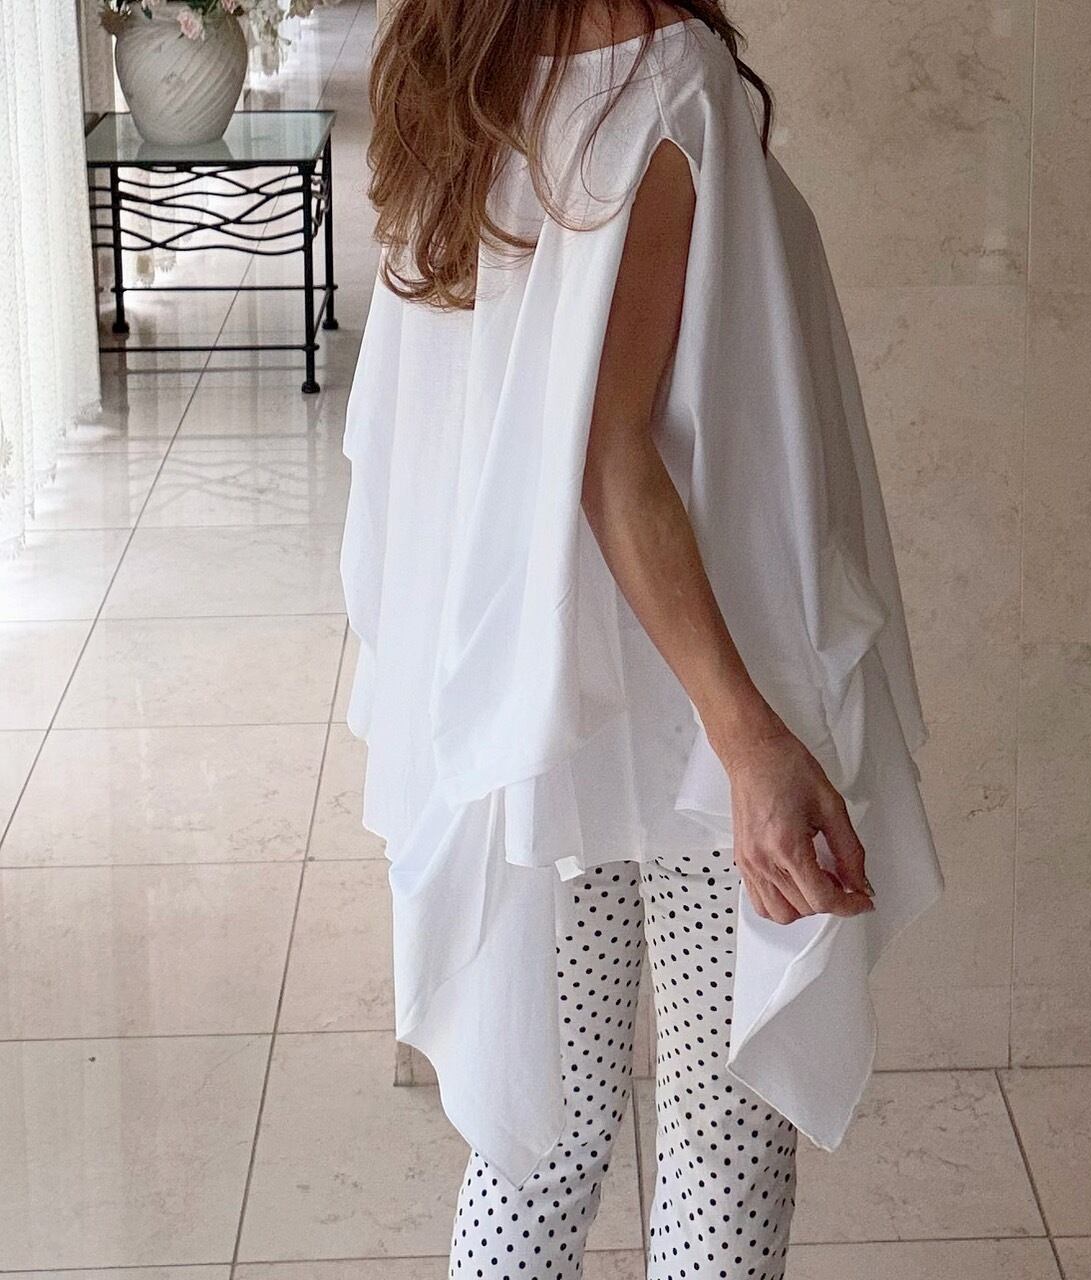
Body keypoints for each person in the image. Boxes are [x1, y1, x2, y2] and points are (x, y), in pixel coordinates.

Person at [342, 2, 945, 1276]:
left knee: (536, 1146)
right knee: (722, 1140)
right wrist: (752, 741)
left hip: (526, 711)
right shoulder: (667, 82)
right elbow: (610, 458)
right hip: (692, 716)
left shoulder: (456, 66)